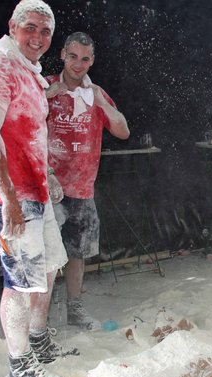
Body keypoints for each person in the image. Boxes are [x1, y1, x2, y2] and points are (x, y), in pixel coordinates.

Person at [0, 0, 76, 377]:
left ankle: (38, 341)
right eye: (30, 28)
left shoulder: (28, 72)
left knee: (46, 269)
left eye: (45, 31)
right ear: (13, 28)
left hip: (35, 190)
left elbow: (30, 132)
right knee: (18, 281)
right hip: (11, 195)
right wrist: (9, 200)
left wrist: (47, 175)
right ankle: (20, 365)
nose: (38, 37)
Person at [46, 32, 130, 330]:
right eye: (73, 56)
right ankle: (39, 321)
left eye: (85, 58)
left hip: (82, 188)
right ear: (62, 55)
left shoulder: (96, 92)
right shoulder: (45, 86)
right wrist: (46, 97)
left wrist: (100, 103)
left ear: (92, 60)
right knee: (45, 258)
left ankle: (74, 310)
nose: (78, 64)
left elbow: (123, 131)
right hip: (47, 190)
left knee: (77, 254)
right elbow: (20, 129)